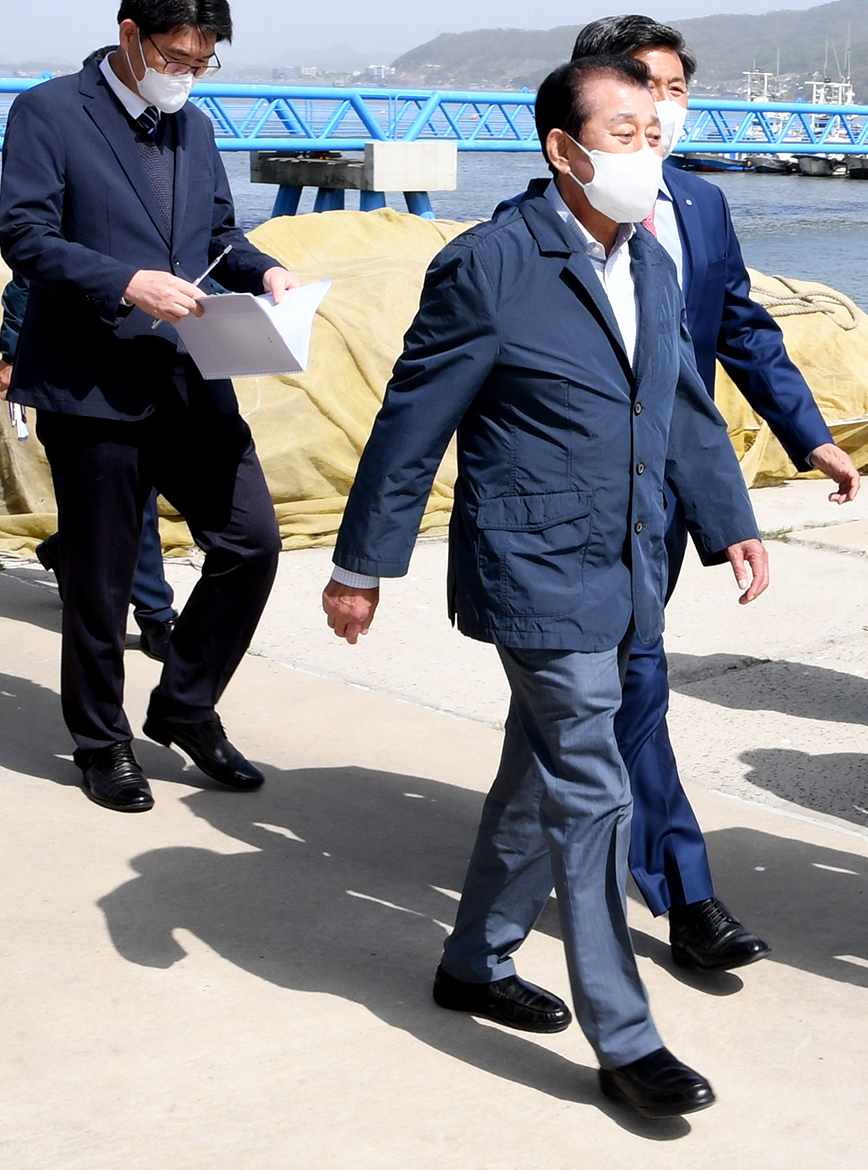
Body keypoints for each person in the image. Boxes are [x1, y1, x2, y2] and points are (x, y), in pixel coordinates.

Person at [321, 55, 768, 1119]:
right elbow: (411, 421)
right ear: (564, 150)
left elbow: (682, 403)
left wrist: (729, 520)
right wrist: (359, 566)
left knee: (539, 771)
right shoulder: (491, 265)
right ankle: (626, 1035)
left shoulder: (649, 261)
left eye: (654, 132)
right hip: (533, 567)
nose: (647, 151)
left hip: (627, 563)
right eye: (623, 134)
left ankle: (473, 960)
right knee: (594, 784)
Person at [560, 14, 862, 973]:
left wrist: (810, 435)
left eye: (677, 90)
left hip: (663, 498)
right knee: (630, 688)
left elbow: (740, 330)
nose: (663, 107)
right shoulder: (533, 230)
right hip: (575, 507)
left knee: (608, 692)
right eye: (644, 89)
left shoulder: (698, 204)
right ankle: (686, 894)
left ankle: (554, 848)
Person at [0, 0, 300, 813]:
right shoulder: (48, 112)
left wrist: (265, 269)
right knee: (98, 581)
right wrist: (126, 282)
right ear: (130, 36)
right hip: (93, 380)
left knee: (251, 542)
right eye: (176, 57)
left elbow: (218, 233)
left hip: (190, 373)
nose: (188, 75)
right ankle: (102, 742)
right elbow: (25, 236)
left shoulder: (193, 128)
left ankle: (185, 704)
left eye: (203, 62)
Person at [0, 267, 180, 663]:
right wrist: (12, 355)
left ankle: (65, 548)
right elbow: (29, 277)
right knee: (130, 495)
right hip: (77, 372)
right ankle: (156, 616)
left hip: (155, 358)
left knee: (121, 497)